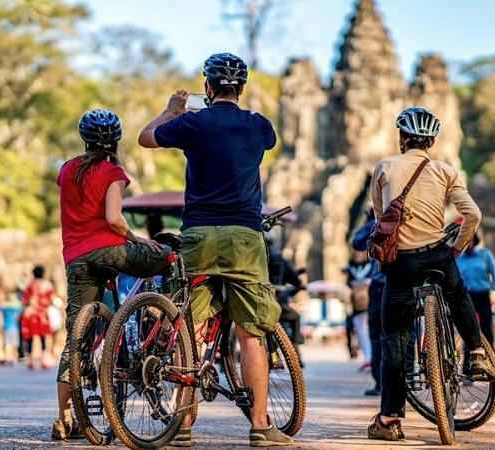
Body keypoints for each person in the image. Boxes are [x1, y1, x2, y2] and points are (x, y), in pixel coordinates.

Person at [138, 52, 292, 447]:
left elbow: (145, 137)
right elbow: (270, 142)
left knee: (189, 330)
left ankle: (183, 425)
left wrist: (171, 110)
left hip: (200, 234)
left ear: (207, 87)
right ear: (241, 89)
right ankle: (260, 425)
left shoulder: (192, 122)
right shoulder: (259, 126)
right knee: (252, 333)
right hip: (244, 237)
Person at [367, 107, 494, 441]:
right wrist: (456, 250)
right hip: (438, 254)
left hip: (402, 263)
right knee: (458, 293)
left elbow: (381, 218)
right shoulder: (445, 171)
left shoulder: (384, 167)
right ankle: (477, 352)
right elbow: (473, 214)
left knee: (394, 337)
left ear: (402, 138)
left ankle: (390, 419)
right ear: (433, 141)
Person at [53, 108, 171, 440]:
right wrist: (137, 239)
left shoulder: (66, 170)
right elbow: (115, 219)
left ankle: (64, 419)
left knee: (76, 338)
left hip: (75, 259)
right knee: (169, 257)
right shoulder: (112, 171)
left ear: (85, 139)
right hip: (111, 250)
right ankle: (163, 320)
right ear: (115, 140)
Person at [352, 210, 385, 396]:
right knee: (402, 333)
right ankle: (406, 381)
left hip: (381, 285)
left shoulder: (376, 223)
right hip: (403, 281)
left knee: (377, 334)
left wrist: (370, 220)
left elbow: (357, 242)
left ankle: (380, 383)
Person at [456, 234, 495, 349]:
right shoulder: (458, 259)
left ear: (474, 240)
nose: (467, 244)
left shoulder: (485, 255)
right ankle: (468, 366)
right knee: (469, 334)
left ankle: (492, 364)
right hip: (466, 298)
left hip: (483, 297)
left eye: (469, 240)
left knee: (487, 331)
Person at [267, 232, 304, 365]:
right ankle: (295, 350)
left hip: (256, 303)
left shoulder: (254, 257)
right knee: (295, 317)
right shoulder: (279, 259)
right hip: (277, 303)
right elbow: (296, 281)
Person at [21, 265, 55, 370]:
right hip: (43, 315)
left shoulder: (30, 285)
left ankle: (30, 360)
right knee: (43, 337)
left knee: (29, 338)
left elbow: (25, 300)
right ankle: (44, 359)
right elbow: (52, 299)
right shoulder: (48, 285)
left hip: (31, 315)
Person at [0, 292, 22, 365]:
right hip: (15, 327)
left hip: (6, 327)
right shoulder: (17, 308)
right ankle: (14, 359)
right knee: (15, 344)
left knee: (7, 343)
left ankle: (8, 358)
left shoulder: (5, 308)